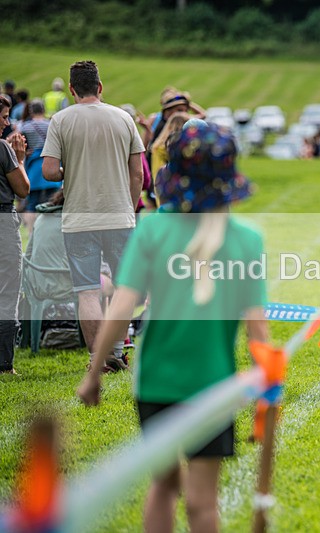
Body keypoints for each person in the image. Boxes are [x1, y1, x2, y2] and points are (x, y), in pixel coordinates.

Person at [77, 122, 268, 532]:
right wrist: (267, 392)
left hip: (156, 382)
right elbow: (258, 331)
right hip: (214, 385)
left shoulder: (153, 230)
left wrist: (94, 373)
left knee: (162, 485)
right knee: (203, 503)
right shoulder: (247, 240)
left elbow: (122, 308)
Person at [41, 60, 144, 372]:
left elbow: (48, 171)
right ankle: (114, 351)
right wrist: (129, 206)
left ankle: (96, 359)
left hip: (79, 218)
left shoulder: (60, 120)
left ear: (72, 90)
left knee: (86, 290)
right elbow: (137, 173)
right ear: (100, 87)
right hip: (119, 216)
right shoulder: (123, 118)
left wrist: (68, 171)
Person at [0, 95, 30, 375]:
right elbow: (22, 189)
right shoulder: (2, 148)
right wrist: (19, 159)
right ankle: (4, 364)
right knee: (8, 291)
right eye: (3, 116)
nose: (7, 123)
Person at [18, 99, 59, 230]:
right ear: (43, 110)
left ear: (31, 111)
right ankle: (51, 230)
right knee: (53, 201)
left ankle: (31, 232)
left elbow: (22, 146)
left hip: (34, 167)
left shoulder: (26, 127)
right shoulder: (51, 125)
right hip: (50, 163)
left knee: (32, 203)